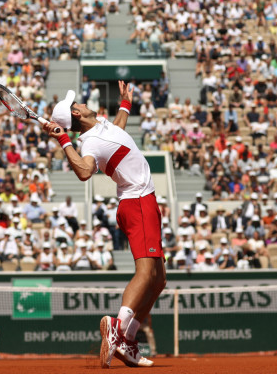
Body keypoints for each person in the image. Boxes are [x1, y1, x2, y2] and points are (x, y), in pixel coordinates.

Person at [45, 81, 164, 368]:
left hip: (143, 199)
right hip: (136, 201)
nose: (82, 103)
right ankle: (117, 326)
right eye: (77, 105)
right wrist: (63, 141)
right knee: (146, 273)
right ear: (76, 114)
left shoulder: (99, 125)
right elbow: (85, 171)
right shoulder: (90, 142)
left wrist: (125, 104)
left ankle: (128, 341)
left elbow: (118, 130)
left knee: (159, 280)